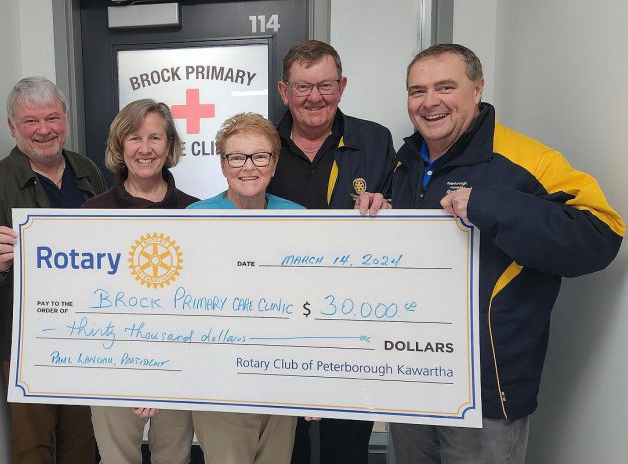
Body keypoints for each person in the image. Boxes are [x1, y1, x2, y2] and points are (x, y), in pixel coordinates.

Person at [357, 43, 625, 463]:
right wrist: (383, 210)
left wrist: (489, 205)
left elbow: (600, 235)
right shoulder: (403, 163)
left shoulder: (527, 159)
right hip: (410, 377)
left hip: (486, 392)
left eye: (445, 87)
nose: (429, 103)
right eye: (417, 91)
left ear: (477, 89)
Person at [266, 39, 397, 464]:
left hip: (351, 322)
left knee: (347, 444)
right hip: (278, 325)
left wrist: (390, 210)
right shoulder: (260, 143)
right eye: (303, 87)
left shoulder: (376, 140)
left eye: (325, 85)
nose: (315, 98)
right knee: (287, 448)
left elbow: (402, 221)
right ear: (284, 92)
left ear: (341, 86)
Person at [0, 76, 106, 463]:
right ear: (12, 127)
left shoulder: (86, 170)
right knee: (33, 447)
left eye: (52, 118)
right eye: (30, 121)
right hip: (26, 342)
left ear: (66, 120)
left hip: (85, 333)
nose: (44, 130)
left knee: (82, 439)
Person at [83, 99, 197, 464]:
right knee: (116, 459)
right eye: (134, 138)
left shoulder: (197, 213)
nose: (145, 149)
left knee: (174, 457)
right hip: (112, 362)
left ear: (171, 145)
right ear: (119, 145)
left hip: (179, 361)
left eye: (155, 138)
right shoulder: (90, 214)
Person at [187, 112, 302, 463]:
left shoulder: (301, 218)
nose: (248, 167)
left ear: (275, 162)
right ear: (223, 165)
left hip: (280, 379)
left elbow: (310, 302)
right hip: (220, 380)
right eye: (236, 157)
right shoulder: (194, 218)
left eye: (260, 156)